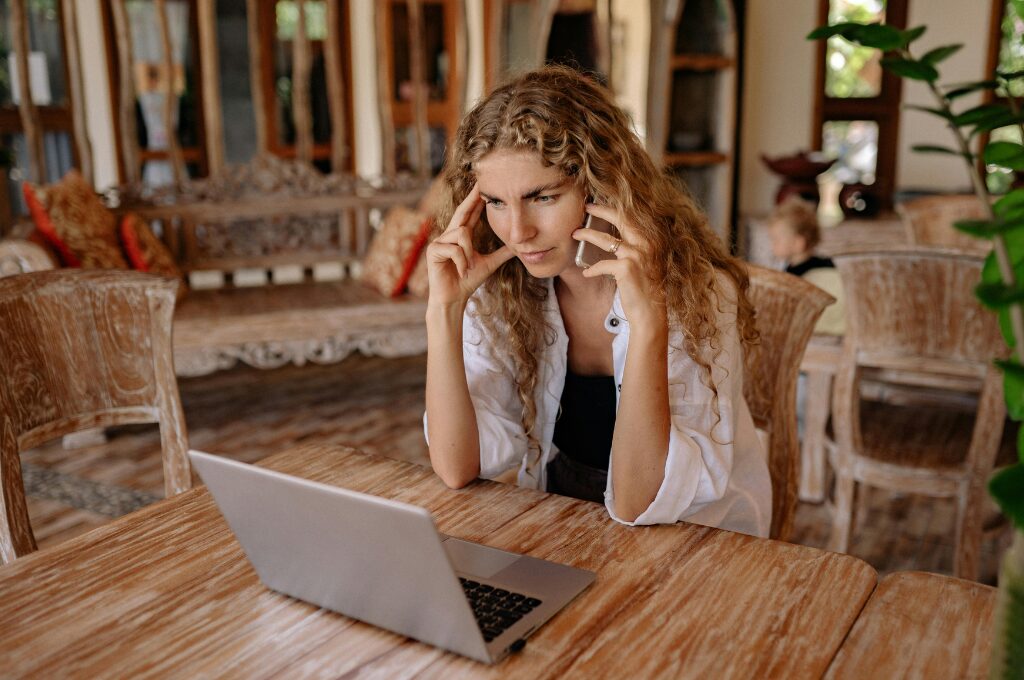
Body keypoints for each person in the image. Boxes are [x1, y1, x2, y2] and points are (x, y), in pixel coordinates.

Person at [423, 66, 770, 537]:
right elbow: (455, 466)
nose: (518, 231)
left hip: (692, 533)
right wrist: (443, 312)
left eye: (542, 196)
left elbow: (636, 502)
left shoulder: (696, 292)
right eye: (496, 202)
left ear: (601, 182)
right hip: (564, 511)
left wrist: (647, 323)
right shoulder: (505, 288)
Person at [766, 196, 845, 336]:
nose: (772, 245)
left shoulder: (799, 276)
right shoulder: (826, 262)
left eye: (776, 240)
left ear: (798, 244)